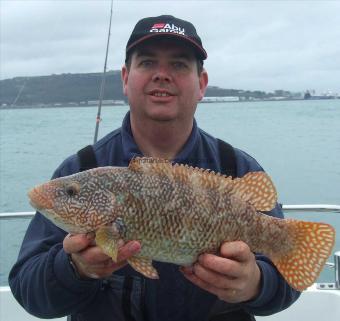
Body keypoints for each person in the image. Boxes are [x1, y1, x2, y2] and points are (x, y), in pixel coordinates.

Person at [9, 15, 300, 321]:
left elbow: (289, 282)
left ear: (201, 84)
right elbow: (29, 292)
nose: (162, 75)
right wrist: (73, 269)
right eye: (147, 63)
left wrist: (255, 284)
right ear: (125, 78)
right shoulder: (83, 168)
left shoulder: (236, 168)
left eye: (179, 64)